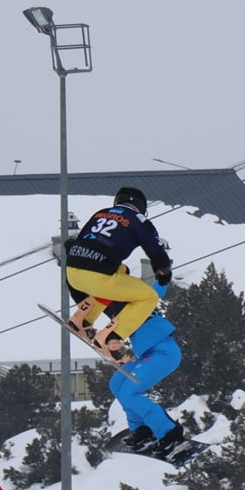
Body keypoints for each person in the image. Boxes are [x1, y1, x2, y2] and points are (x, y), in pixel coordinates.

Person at [65, 186, 172, 363]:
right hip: (98, 277)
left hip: (73, 273)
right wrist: (163, 272)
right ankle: (110, 338)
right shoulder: (139, 220)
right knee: (148, 297)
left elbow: (72, 243)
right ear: (142, 208)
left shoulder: (101, 213)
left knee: (122, 271)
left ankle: (82, 319)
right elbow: (158, 255)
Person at [108, 281, 187, 456]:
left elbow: (159, 286)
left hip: (165, 352)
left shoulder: (138, 298)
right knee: (117, 384)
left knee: (129, 392)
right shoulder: (118, 311)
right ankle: (142, 428)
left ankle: (169, 433)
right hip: (148, 353)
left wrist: (162, 270)